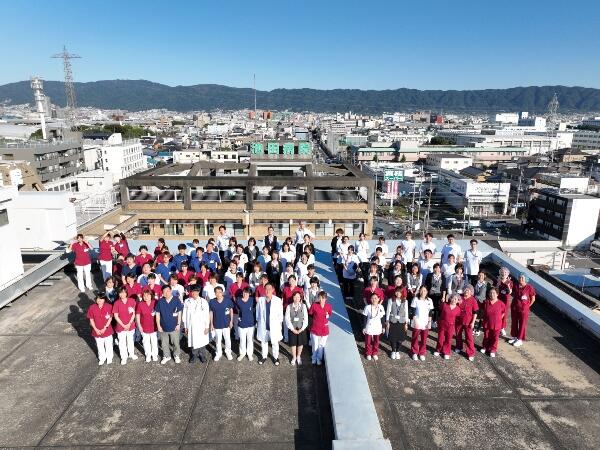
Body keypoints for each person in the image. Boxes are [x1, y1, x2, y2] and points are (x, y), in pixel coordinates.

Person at [256, 283, 284, 365]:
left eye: (269, 289)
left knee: (274, 343)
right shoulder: (261, 300)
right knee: (264, 342)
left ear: (273, 290)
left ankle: (275, 357)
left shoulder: (278, 300)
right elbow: (257, 313)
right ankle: (264, 356)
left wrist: (280, 326)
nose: (267, 291)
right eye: (266, 289)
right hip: (263, 326)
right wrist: (258, 322)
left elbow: (280, 315)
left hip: (274, 326)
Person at [155, 285, 184, 364]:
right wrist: (158, 325)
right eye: (164, 292)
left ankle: (176, 355)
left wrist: (178, 324)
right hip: (163, 326)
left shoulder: (176, 300)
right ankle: (166, 356)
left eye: (168, 291)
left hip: (174, 326)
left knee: (175, 342)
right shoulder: (160, 301)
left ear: (171, 291)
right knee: (164, 343)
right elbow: (157, 313)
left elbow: (179, 312)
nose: (166, 293)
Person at [182, 286, 210, 363]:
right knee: (193, 340)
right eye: (192, 291)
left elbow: (206, 315)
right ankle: (194, 355)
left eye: (196, 291)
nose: (194, 293)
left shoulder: (203, 301)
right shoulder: (187, 301)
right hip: (191, 325)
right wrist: (185, 327)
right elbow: (184, 314)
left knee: (202, 341)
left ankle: (202, 355)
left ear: (198, 292)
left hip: (201, 325)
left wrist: (207, 327)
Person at [509, 274, 536, 347]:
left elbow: (533, 299)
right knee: (514, 322)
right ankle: (514, 336)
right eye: (519, 277)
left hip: (524, 310)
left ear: (526, 279)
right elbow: (510, 291)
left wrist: (527, 306)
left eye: (522, 277)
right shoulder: (516, 285)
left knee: (522, 324)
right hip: (514, 307)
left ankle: (520, 339)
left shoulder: (529, 287)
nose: (520, 278)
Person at [113, 287, 138, 365]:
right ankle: (124, 357)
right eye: (120, 293)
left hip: (130, 325)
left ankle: (131, 354)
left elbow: (133, 313)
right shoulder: (116, 303)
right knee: (122, 342)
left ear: (126, 293)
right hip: (121, 326)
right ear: (119, 294)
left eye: (124, 292)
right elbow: (116, 316)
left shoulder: (132, 301)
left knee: (130, 340)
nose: (122, 294)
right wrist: (123, 325)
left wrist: (129, 324)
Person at [87, 293, 114, 365]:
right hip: (97, 331)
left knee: (108, 345)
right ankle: (102, 358)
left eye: (101, 299)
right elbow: (91, 319)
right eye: (98, 298)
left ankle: (109, 358)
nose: (99, 300)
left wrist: (105, 328)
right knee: (99, 345)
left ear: (104, 300)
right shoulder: (92, 307)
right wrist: (95, 329)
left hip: (107, 330)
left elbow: (110, 318)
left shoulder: (109, 306)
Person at [209, 286, 234, 361]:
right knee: (218, 340)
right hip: (217, 324)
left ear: (222, 293)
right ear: (214, 293)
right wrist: (211, 324)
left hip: (226, 324)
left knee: (227, 339)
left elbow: (231, 311)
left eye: (220, 292)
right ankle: (218, 353)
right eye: (216, 292)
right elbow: (211, 313)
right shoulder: (212, 301)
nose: (218, 294)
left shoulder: (227, 300)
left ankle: (228, 352)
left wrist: (231, 321)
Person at [433, 293, 462, 359]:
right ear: (450, 298)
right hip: (442, 325)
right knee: (440, 338)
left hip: (451, 326)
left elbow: (458, 318)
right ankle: (439, 350)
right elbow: (439, 310)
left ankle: (446, 352)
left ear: (458, 300)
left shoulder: (458, 309)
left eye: (455, 299)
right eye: (452, 298)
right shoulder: (444, 305)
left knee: (448, 339)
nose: (454, 300)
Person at [455, 285, 479, 361]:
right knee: (458, 334)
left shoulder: (473, 300)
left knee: (469, 337)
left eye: (468, 290)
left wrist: (473, 322)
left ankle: (470, 353)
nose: (466, 291)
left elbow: (475, 312)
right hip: (458, 320)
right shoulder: (460, 297)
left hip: (468, 322)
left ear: (471, 292)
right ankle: (459, 347)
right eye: (465, 290)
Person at [410, 286, 434, 361]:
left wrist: (430, 322)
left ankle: (422, 353)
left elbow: (430, 313)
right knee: (415, 337)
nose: (423, 292)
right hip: (417, 321)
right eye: (421, 290)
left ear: (427, 292)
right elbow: (413, 311)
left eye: (425, 290)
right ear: (419, 291)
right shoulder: (416, 299)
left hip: (426, 322)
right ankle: (414, 352)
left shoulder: (429, 300)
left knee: (424, 339)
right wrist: (415, 321)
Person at [480, 287, 506, 357]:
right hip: (487, 323)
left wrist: (500, 318)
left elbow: (504, 312)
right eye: (490, 293)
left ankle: (493, 350)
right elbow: (482, 310)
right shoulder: (486, 302)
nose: (492, 294)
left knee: (495, 338)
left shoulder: (501, 303)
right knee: (486, 336)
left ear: (497, 294)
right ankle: (485, 347)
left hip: (496, 324)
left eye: (494, 293)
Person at [309, 291, 332, 365]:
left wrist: (327, 315)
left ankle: (319, 359)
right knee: (315, 344)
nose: (321, 299)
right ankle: (314, 358)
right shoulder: (314, 305)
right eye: (320, 298)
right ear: (318, 298)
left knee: (321, 345)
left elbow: (330, 314)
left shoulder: (329, 306)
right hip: (315, 328)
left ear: (326, 299)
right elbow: (310, 314)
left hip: (324, 328)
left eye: (323, 298)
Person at [285, 291, 309, 365]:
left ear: (300, 298)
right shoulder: (289, 306)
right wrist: (292, 329)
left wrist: (302, 329)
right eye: (295, 297)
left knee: (300, 344)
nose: (297, 298)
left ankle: (298, 356)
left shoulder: (303, 306)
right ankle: (294, 357)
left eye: (298, 297)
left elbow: (306, 319)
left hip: (301, 328)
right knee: (293, 344)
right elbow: (287, 319)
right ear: (293, 298)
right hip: (292, 328)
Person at [385, 287, 409, 360]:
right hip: (393, 321)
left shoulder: (405, 301)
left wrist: (406, 323)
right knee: (393, 337)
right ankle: (393, 350)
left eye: (400, 292)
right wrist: (387, 321)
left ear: (402, 293)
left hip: (402, 321)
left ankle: (397, 351)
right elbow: (388, 311)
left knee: (400, 338)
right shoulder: (391, 300)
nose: (398, 293)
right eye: (397, 292)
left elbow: (406, 312)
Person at [136, 289, 159, 362]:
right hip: (144, 326)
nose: (146, 297)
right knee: (146, 342)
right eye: (144, 295)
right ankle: (148, 355)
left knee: (154, 341)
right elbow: (137, 315)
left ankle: (155, 355)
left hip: (154, 326)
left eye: (148, 295)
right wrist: (139, 325)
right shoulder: (140, 304)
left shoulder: (155, 302)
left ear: (151, 295)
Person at [363, 293, 385, 361]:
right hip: (369, 326)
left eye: (375, 298)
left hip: (378, 326)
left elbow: (382, 318)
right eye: (372, 298)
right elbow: (364, 317)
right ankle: (368, 353)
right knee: (368, 341)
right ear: (370, 299)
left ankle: (374, 353)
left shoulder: (381, 307)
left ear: (378, 299)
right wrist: (364, 327)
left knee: (376, 341)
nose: (374, 300)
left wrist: (383, 327)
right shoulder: (367, 307)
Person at [236, 287, 256, 361]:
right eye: (244, 292)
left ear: (250, 294)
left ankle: (249, 354)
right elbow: (237, 310)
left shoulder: (252, 300)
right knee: (242, 340)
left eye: (247, 293)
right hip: (241, 324)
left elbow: (255, 309)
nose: (245, 294)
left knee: (250, 340)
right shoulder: (238, 300)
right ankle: (242, 353)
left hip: (250, 323)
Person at [425, 263, 446, 327]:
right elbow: (426, 285)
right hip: (430, 294)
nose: (437, 269)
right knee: (429, 308)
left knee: (437, 308)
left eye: (438, 267)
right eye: (435, 267)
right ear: (433, 269)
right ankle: (429, 320)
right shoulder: (430, 275)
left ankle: (435, 320)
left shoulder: (443, 276)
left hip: (439, 295)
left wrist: (444, 297)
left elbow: (444, 287)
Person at [496, 267, 513, 337]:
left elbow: (510, 292)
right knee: (497, 314)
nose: (503, 274)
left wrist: (508, 285)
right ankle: (497, 326)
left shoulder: (510, 282)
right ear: (500, 273)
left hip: (505, 300)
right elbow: (495, 290)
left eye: (505, 272)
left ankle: (502, 328)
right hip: (498, 299)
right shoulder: (497, 280)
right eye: (502, 272)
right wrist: (498, 283)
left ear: (508, 274)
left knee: (504, 315)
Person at [473, 271, 490, 336]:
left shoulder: (487, 284)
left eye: (482, 275)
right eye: (479, 275)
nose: (480, 277)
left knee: (481, 316)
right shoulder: (475, 282)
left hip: (483, 302)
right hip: (475, 302)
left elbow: (488, 293)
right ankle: (473, 328)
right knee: (474, 314)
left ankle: (478, 329)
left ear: (484, 276)